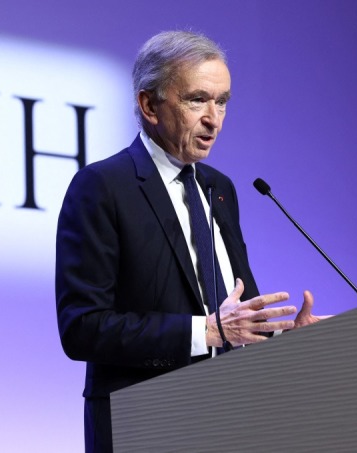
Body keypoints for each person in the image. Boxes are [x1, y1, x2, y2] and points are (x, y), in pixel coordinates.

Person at [55, 30, 324, 453]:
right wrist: (207, 331)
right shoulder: (103, 187)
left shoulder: (220, 189)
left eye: (222, 101)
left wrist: (280, 335)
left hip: (229, 419)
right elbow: (82, 328)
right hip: (145, 423)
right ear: (149, 106)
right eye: (197, 100)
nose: (214, 119)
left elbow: (234, 309)